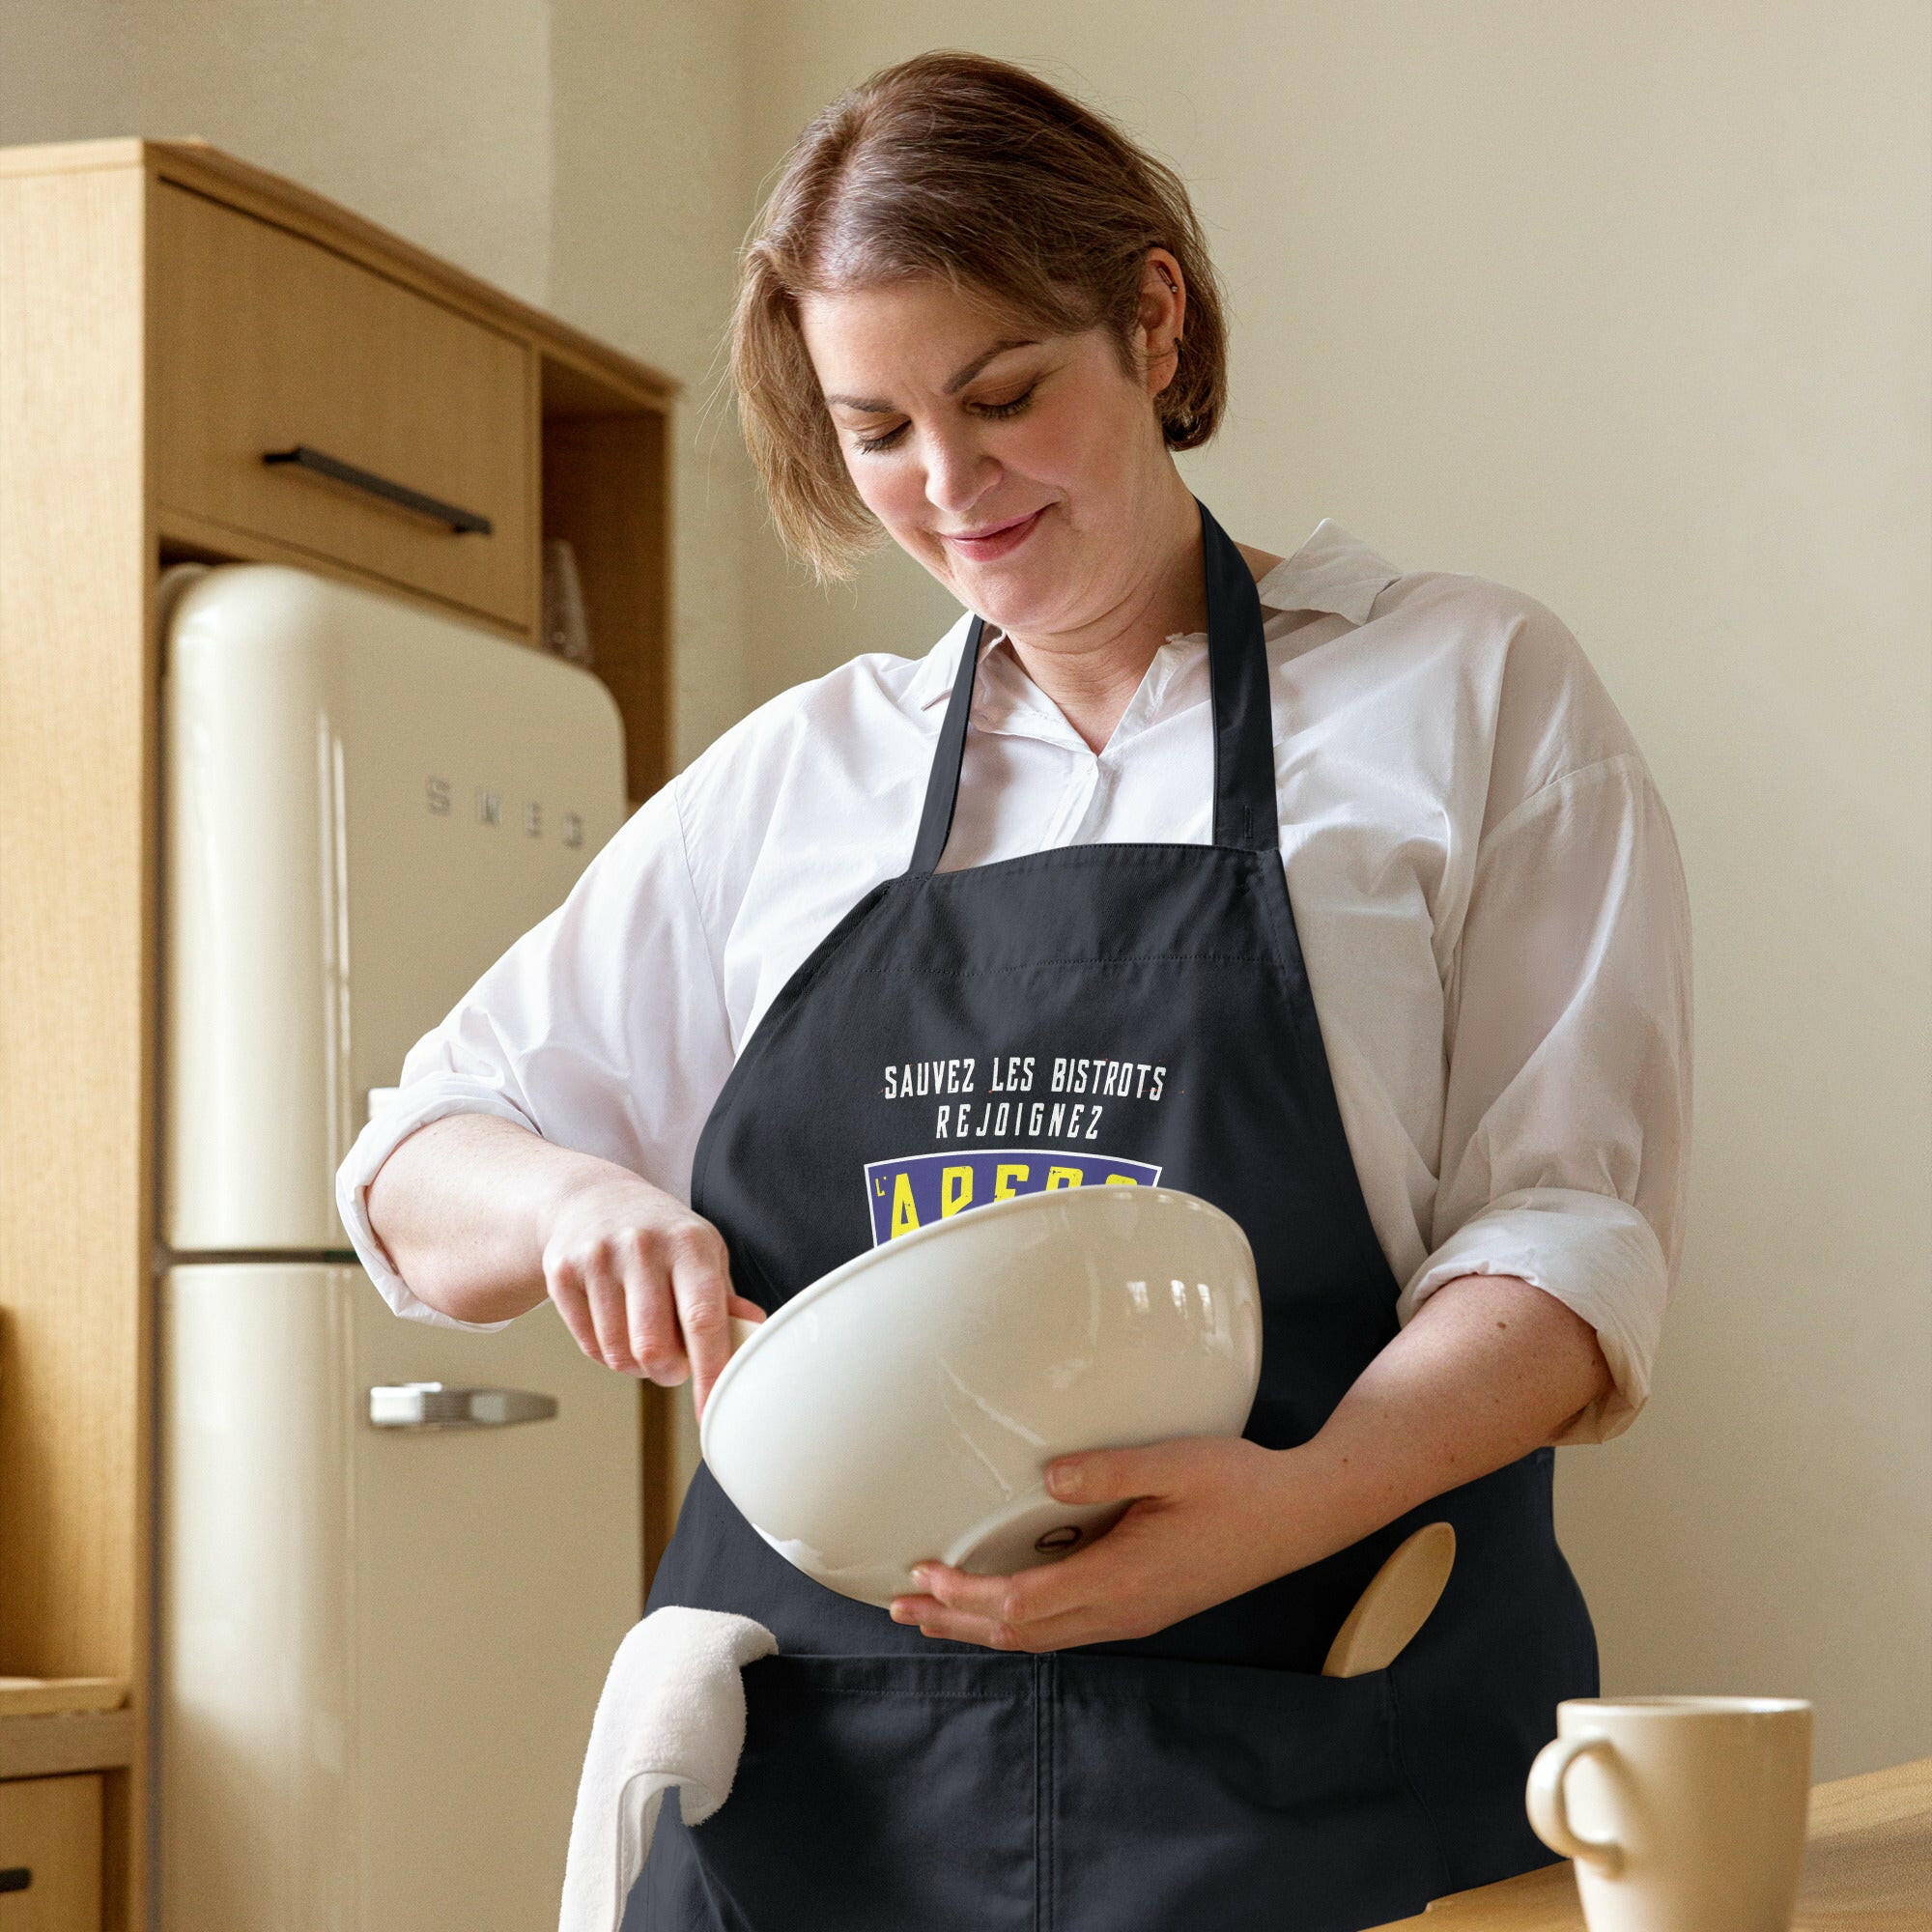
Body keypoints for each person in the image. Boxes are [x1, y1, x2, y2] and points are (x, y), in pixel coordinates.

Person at [334, 48, 1692, 1932]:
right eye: (875, 427)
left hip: (1313, 1764)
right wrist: (570, 1195)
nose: (946, 487)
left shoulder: (1463, 692)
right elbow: (415, 1163)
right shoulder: (790, 782)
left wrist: (1283, 1507)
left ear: (1146, 316)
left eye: (1000, 396)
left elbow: (1561, 1239)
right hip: (833, 1811)